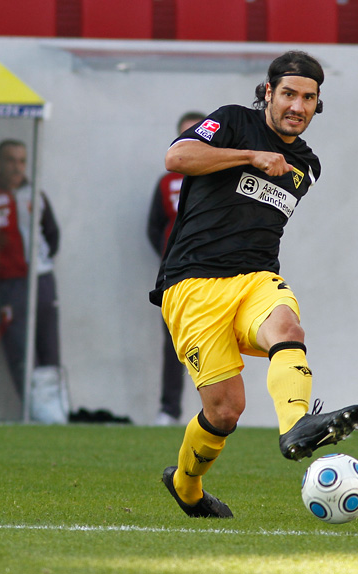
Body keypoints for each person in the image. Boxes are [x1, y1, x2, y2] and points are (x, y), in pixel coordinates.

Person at [150, 51, 358, 518]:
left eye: (309, 98)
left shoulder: (307, 165)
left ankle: (296, 425)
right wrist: (250, 155)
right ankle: (186, 486)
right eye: (288, 94)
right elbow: (176, 156)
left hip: (255, 278)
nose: (298, 106)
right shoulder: (232, 121)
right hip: (193, 282)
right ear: (268, 92)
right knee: (225, 411)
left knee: (287, 327)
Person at [147, 111, 206, 426]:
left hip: (215, 272)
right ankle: (169, 410)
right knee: (174, 342)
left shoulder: (223, 175)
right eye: (187, 134)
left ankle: (216, 410)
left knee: (213, 340)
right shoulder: (167, 181)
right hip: (177, 275)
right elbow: (154, 228)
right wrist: (172, 258)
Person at [0, 139, 61, 403]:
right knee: (19, 351)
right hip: (9, 284)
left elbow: (52, 234)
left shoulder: (36, 195)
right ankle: (32, 409)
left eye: (22, 161)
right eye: (10, 160)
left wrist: (41, 262)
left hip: (41, 279)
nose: (17, 167)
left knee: (49, 348)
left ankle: (54, 410)